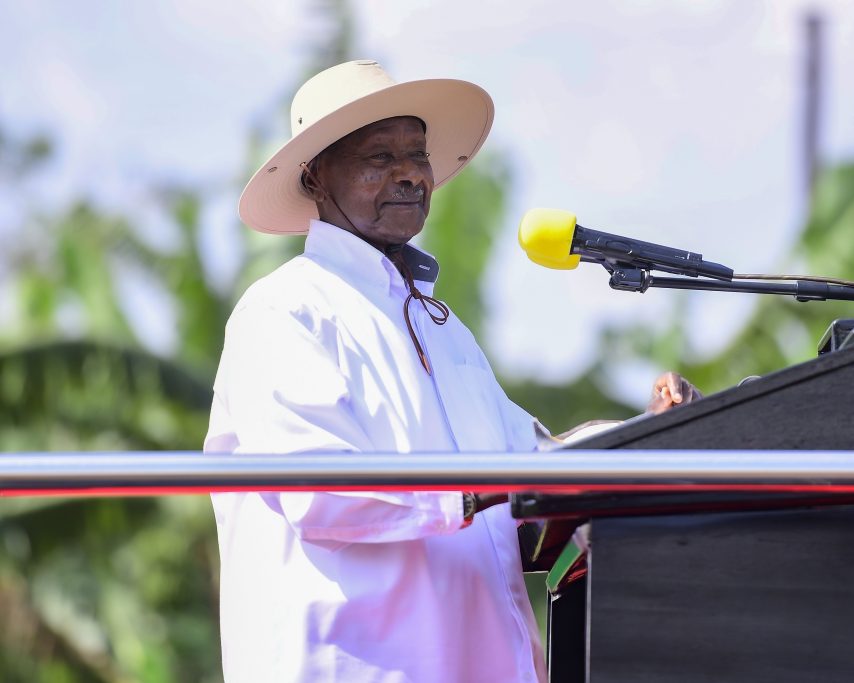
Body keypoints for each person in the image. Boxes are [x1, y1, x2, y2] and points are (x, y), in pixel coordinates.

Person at [205, 60, 698, 683]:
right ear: (314, 175)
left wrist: (649, 436)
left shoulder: (444, 330)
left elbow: (531, 469)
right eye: (379, 156)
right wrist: (481, 487)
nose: (410, 173)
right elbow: (319, 490)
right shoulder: (285, 309)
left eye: (418, 153)